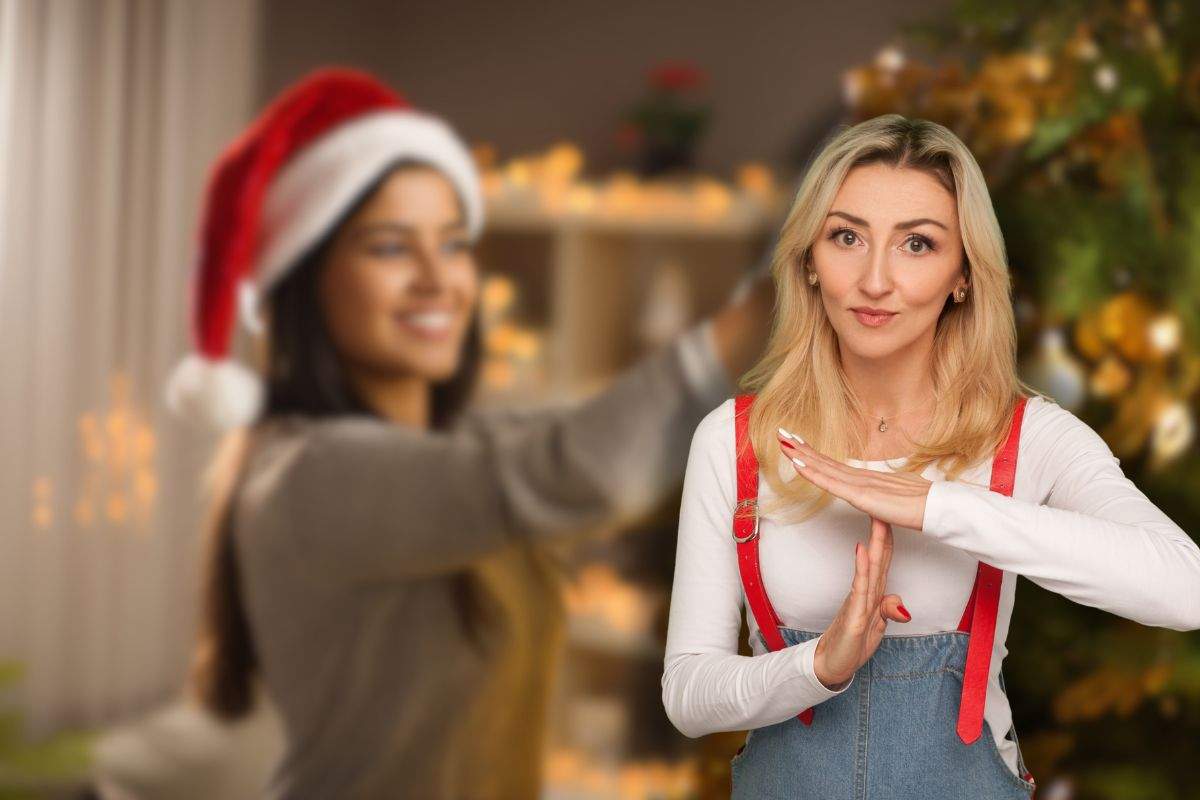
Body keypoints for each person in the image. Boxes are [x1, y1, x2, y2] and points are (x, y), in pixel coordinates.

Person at [164, 68, 773, 798]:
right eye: (390, 248)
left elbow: (590, 439)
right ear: (304, 281)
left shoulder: (456, 447)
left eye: (453, 244)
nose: (438, 279)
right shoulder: (308, 473)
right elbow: (585, 469)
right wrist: (772, 300)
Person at [661, 114, 1200, 798]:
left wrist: (938, 506)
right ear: (809, 261)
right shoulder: (735, 440)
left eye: (916, 244)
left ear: (963, 275)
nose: (875, 280)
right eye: (847, 237)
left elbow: (1186, 587)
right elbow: (688, 694)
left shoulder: (1029, 437)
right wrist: (819, 666)